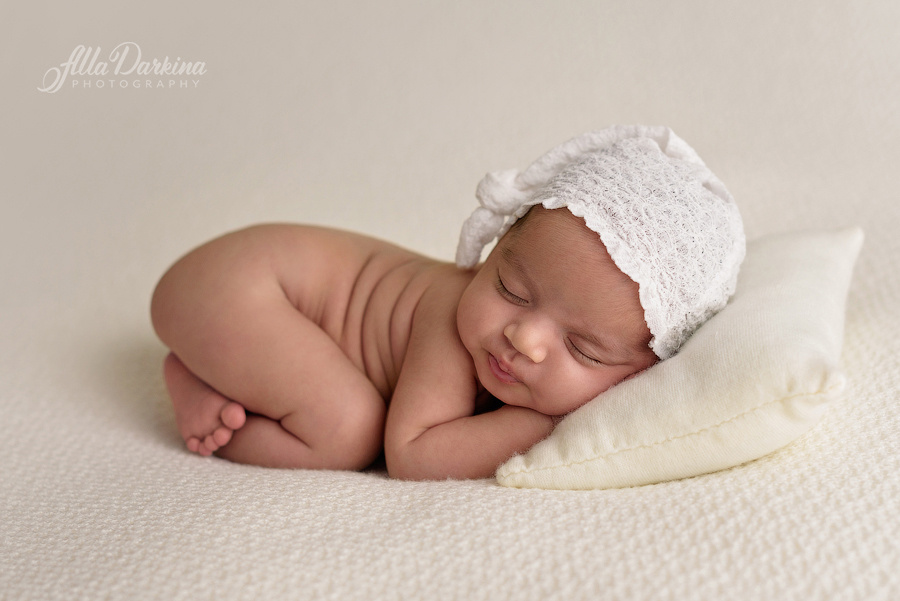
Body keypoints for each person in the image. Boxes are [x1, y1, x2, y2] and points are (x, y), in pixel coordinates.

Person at [150, 125, 745, 480]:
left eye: (582, 347)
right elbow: (412, 454)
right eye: (510, 289)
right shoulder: (448, 316)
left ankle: (223, 369)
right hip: (241, 288)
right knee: (347, 430)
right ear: (491, 251)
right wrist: (552, 420)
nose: (525, 339)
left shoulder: (519, 338)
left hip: (247, 289)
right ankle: (209, 395)